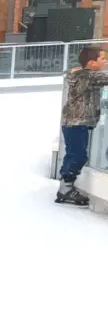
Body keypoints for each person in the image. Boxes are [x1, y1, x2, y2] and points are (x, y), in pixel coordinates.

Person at [56, 47, 108, 205]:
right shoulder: (89, 76)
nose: (106, 62)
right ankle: (65, 188)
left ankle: (65, 187)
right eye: (103, 59)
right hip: (76, 123)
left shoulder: (82, 75)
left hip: (75, 122)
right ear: (92, 63)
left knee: (74, 154)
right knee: (78, 155)